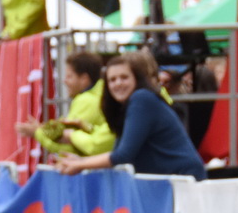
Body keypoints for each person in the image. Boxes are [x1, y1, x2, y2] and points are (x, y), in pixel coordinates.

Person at [54, 55, 206, 180]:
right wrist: (81, 161)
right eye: (112, 80)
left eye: (124, 77)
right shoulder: (128, 105)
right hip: (168, 180)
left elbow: (122, 155)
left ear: (136, 79)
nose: (118, 83)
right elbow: (117, 151)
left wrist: (81, 163)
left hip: (183, 180)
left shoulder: (141, 99)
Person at [17, 51, 113, 159]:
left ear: (84, 79)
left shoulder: (85, 100)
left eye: (69, 76)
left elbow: (74, 146)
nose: (64, 81)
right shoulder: (98, 96)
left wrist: (37, 133)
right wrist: (42, 130)